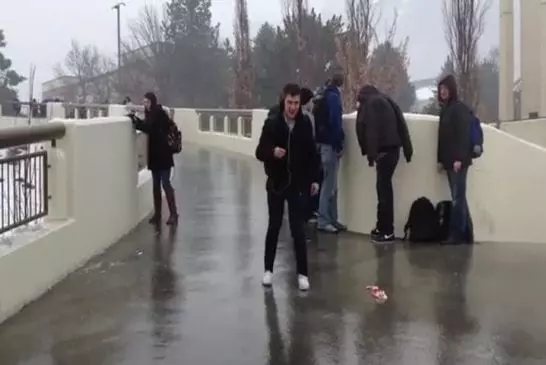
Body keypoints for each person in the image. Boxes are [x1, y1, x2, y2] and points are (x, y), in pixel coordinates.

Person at [255, 83, 322, 291]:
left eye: (296, 103)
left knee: (297, 230)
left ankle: (302, 274)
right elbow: (260, 151)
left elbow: (313, 155)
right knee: (274, 226)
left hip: (298, 184)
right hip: (276, 183)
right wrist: (272, 151)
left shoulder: (304, 124)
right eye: (290, 102)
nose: (293, 107)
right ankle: (268, 270)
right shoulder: (273, 122)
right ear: (283, 100)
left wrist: (315, 179)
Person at [356, 85, 413, 243]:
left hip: (383, 153)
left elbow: (370, 129)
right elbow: (401, 123)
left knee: (384, 192)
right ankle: (382, 227)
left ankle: (387, 230)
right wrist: (408, 150)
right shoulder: (386, 99)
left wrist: (370, 155)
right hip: (393, 151)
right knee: (384, 189)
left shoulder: (369, 105)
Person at [130, 92, 179, 226]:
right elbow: (147, 126)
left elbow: (149, 128)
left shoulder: (159, 113)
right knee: (156, 185)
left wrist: (135, 121)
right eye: (144, 102)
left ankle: (173, 214)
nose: (145, 105)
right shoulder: (151, 113)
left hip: (163, 155)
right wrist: (137, 121)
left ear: (152, 102)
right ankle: (157, 214)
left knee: (165, 183)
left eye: (147, 102)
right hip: (155, 155)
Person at [437, 75, 474, 244]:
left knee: (457, 198)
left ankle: (457, 234)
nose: (442, 91)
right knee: (458, 197)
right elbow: (442, 138)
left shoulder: (459, 109)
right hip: (449, 162)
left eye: (445, 88)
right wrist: (440, 160)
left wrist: (459, 158)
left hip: (459, 162)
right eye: (440, 89)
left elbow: (463, 136)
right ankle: (466, 232)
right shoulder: (445, 109)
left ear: (451, 89)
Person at [315, 74, 346, 233]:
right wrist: (340, 142)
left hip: (322, 144)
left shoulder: (324, 96)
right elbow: (335, 122)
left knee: (331, 184)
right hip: (330, 146)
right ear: (341, 85)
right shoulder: (333, 98)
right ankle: (324, 220)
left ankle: (333, 219)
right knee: (329, 185)